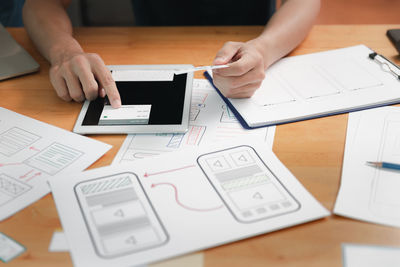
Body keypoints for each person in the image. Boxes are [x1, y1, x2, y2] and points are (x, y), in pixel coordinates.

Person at [22, 0, 320, 108]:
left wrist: (264, 49)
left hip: (254, 40)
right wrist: (64, 51)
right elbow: (40, 4)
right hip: (148, 52)